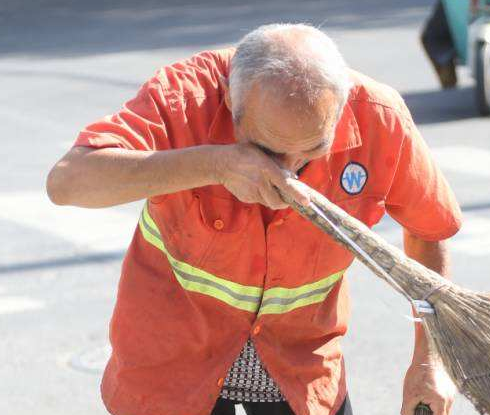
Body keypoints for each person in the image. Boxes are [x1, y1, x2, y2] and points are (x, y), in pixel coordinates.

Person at [46, 23, 461, 415]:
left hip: (303, 371)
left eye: (315, 147)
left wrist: (433, 359)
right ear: (230, 100)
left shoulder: (378, 116)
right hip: (170, 370)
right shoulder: (183, 98)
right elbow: (67, 182)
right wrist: (214, 164)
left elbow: (430, 229)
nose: (291, 170)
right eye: (269, 150)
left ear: (340, 107)